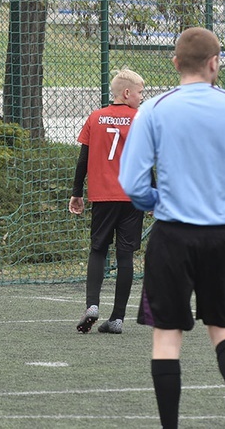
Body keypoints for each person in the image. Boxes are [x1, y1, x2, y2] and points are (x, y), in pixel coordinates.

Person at [119, 27, 225, 429]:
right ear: (215, 64)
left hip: (172, 235)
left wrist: (157, 202)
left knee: (167, 337)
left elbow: (133, 182)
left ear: (175, 63)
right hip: (222, 234)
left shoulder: (154, 109)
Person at [71, 69, 145, 335]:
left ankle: (92, 304)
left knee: (98, 250)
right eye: (140, 93)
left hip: (102, 197)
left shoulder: (95, 117)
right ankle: (117, 318)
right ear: (127, 93)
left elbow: (83, 160)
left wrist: (76, 191)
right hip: (133, 197)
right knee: (125, 255)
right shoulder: (140, 119)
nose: (141, 98)